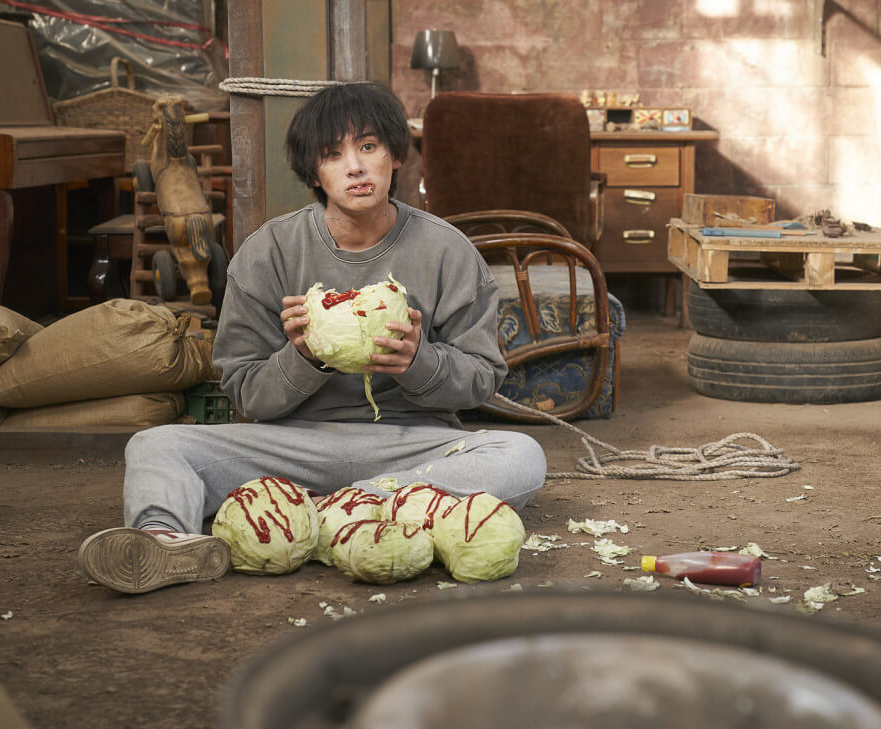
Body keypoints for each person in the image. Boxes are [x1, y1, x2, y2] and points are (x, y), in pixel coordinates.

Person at [78, 81, 547, 594]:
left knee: (521, 454)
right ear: (314, 172)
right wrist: (302, 357)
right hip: (294, 446)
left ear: (394, 155)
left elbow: (482, 378)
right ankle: (161, 542)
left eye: (368, 147)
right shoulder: (268, 253)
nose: (355, 166)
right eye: (333, 154)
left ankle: (324, 510)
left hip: (411, 448)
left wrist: (419, 361)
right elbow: (245, 392)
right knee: (156, 443)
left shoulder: (447, 251)